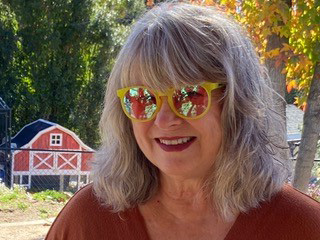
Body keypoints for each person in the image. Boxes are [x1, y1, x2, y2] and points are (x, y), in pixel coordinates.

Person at [46, 2, 320, 240]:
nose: (164, 120)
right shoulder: (87, 222)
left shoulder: (304, 227)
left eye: (189, 95)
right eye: (142, 99)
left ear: (236, 103)